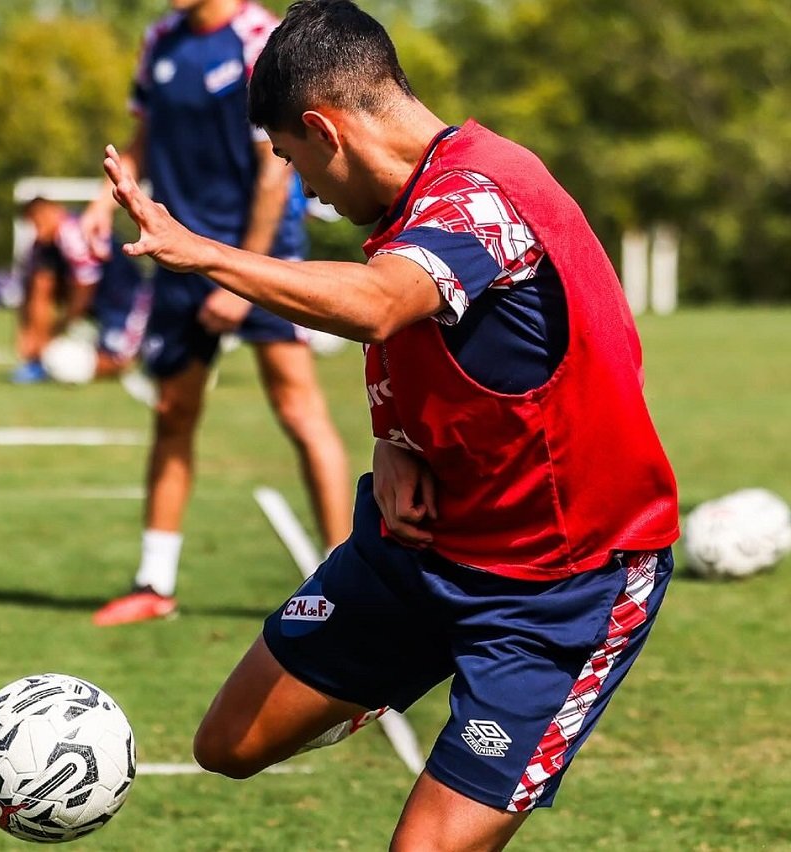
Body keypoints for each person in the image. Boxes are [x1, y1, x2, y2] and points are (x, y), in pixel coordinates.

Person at [101, 1, 681, 848]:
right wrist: (396, 438)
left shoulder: (485, 199)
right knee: (227, 744)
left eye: (296, 162)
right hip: (421, 550)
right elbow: (424, 337)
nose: (304, 188)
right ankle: (395, 670)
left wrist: (207, 252)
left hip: (560, 589)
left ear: (324, 130)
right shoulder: (407, 206)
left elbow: (380, 307)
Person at [79, 0, 352, 626]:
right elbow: (145, 140)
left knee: (297, 407)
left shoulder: (258, 39)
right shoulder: (160, 41)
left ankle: (347, 580)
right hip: (178, 250)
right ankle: (155, 582)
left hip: (260, 254)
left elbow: (273, 174)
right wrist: (104, 200)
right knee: (173, 412)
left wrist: (239, 279)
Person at [12, 197, 150, 385]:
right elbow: (38, 290)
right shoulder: (43, 247)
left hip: (125, 299)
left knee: (119, 360)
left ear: (55, 212)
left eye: (39, 220)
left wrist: (64, 323)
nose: (37, 229)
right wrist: (32, 337)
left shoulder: (73, 231)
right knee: (40, 280)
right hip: (97, 305)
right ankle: (42, 361)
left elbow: (85, 285)